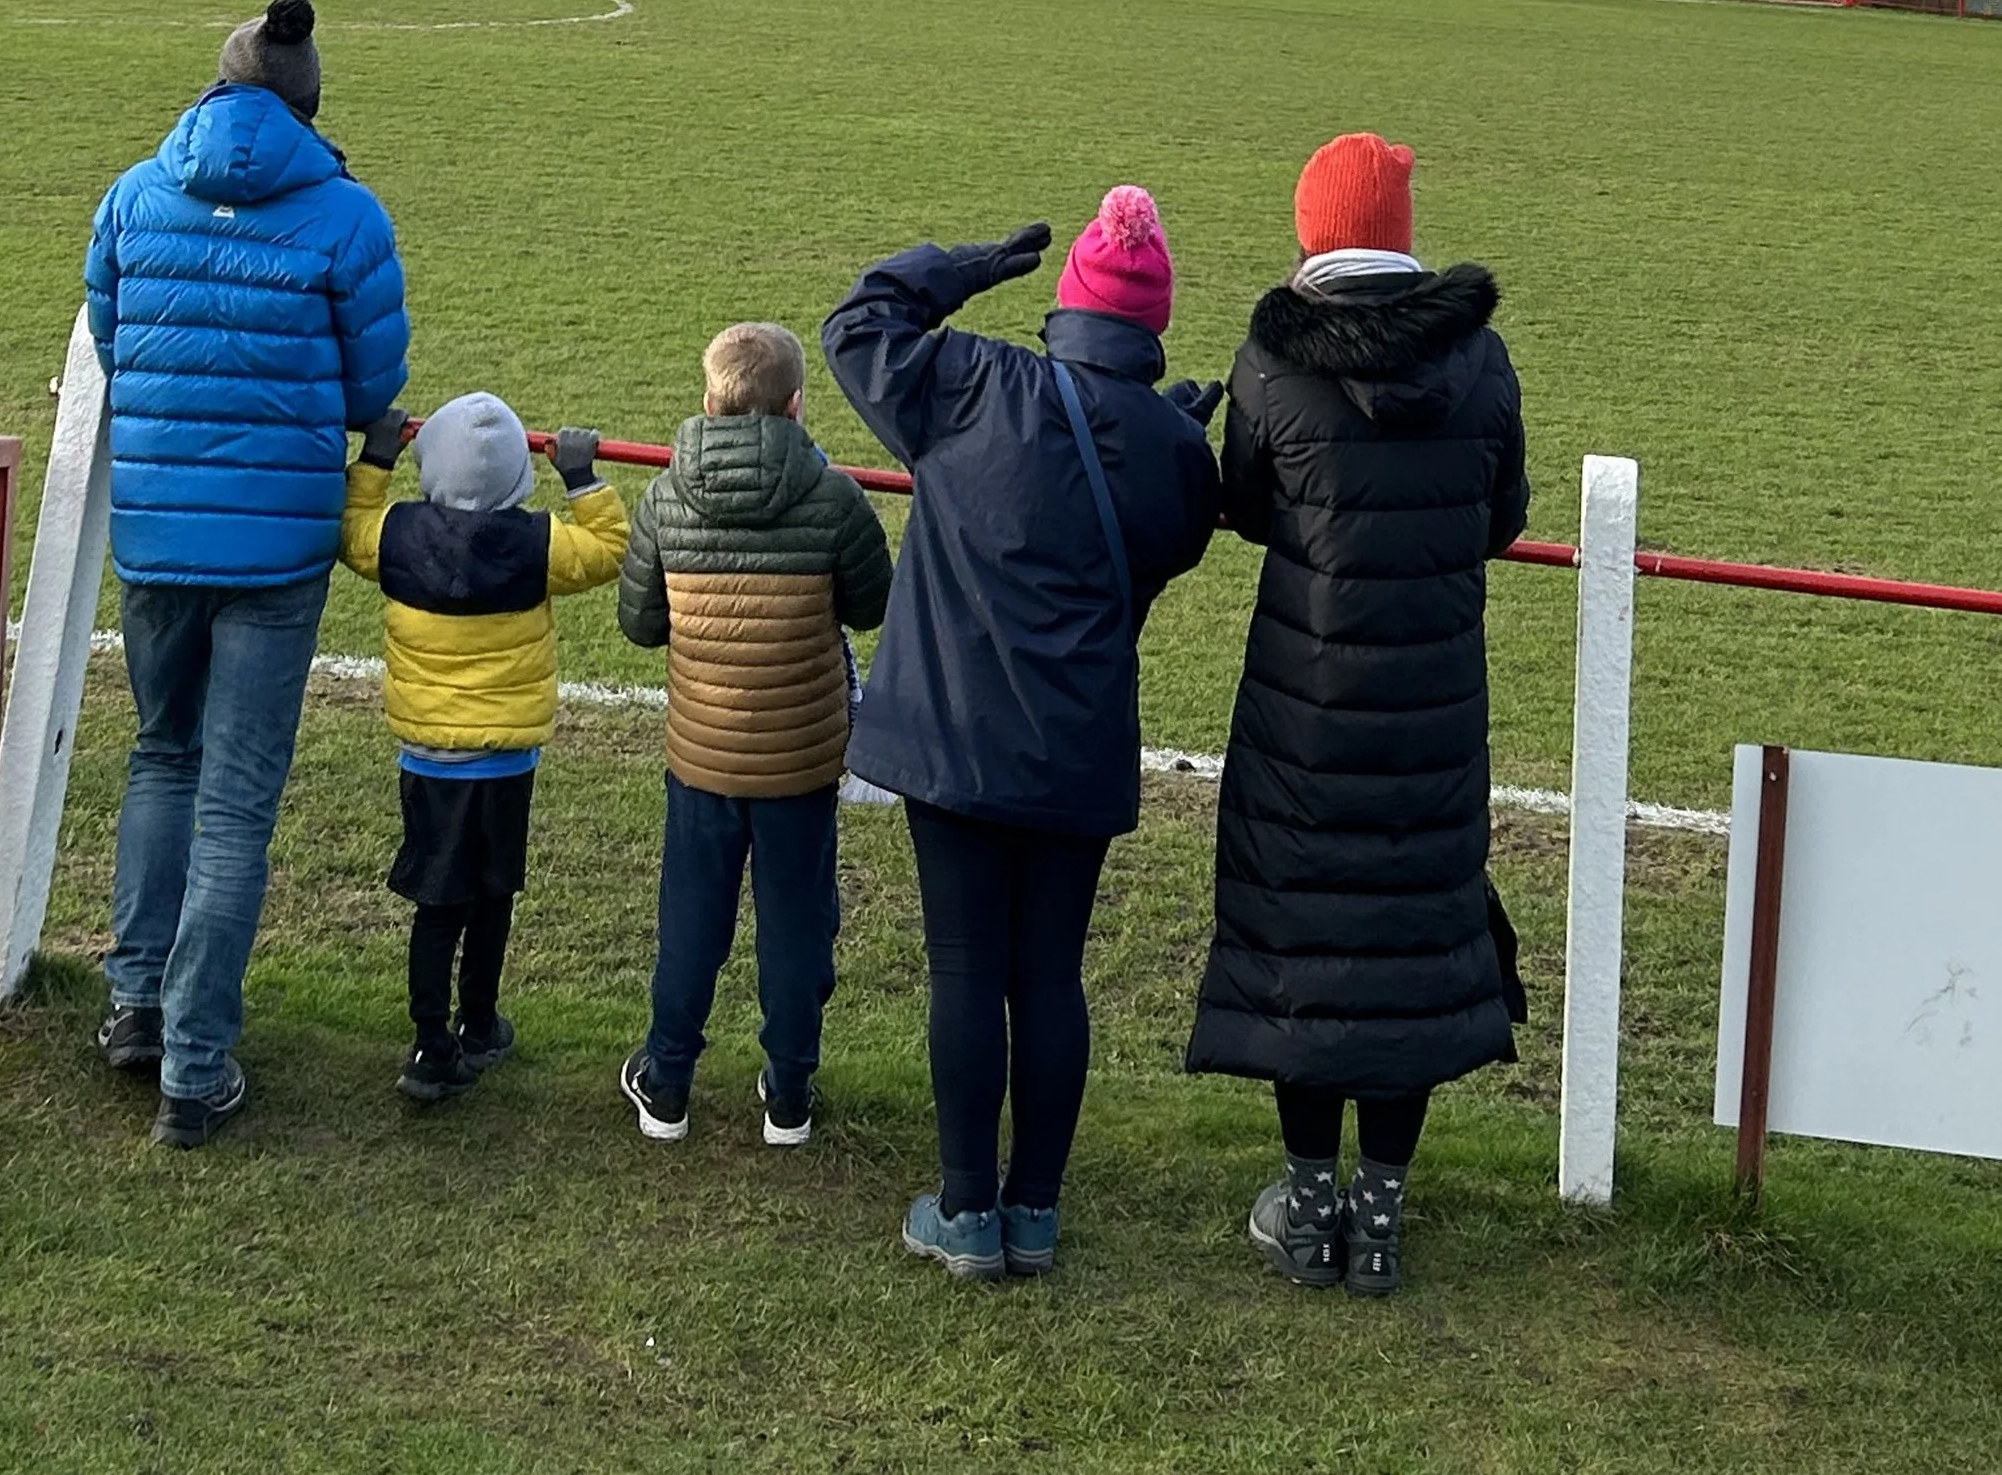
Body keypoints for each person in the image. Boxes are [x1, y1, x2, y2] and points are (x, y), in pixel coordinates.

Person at [822, 194, 1222, 1282]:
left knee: (964, 964)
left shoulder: (975, 383)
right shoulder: (1177, 448)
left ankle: (965, 1211)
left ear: (1067, 304)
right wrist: (1166, 425)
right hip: (1075, 743)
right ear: (1153, 327)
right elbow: (1163, 539)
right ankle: (1033, 1209)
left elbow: (856, 325)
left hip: (953, 734)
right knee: (1049, 975)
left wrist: (953, 267)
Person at [1187, 134, 1529, 1299]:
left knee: (1308, 944)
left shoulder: (1269, 366)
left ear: (1310, 234)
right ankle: (1377, 1219)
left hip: (1305, 710)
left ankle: (1312, 1207)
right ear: (1400, 230)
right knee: (1410, 946)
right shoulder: (1480, 362)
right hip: (1433, 707)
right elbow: (1501, 512)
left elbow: (1242, 507)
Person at [85, 0, 410, 1147]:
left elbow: (112, 336)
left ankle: (133, 1001)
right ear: (310, 102)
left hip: (160, 533)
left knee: (160, 757)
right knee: (233, 806)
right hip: (274, 547)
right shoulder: (345, 214)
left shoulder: (135, 190)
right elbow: (375, 387)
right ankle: (194, 1061)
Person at [616, 322, 893, 1147]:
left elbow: (639, 621)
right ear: (796, 406)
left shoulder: (665, 495)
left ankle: (667, 1082)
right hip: (803, 761)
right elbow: (871, 604)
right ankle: (791, 1093)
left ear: (708, 401)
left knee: (692, 919)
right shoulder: (833, 493)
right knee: (798, 923)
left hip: (701, 755)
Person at [342, 392, 625, 1102]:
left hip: (429, 758)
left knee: (438, 901)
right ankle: (476, 1021)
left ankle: (431, 1040)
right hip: (505, 762)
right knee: (494, 890)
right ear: (518, 480)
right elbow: (611, 551)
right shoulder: (536, 542)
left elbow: (348, 530)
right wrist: (584, 477)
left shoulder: (398, 536)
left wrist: (377, 454)